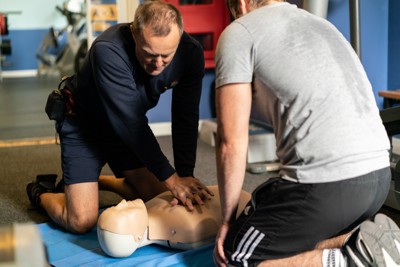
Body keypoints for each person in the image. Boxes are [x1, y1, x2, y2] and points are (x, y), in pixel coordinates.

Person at [213, 0, 400, 267]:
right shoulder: (322, 24)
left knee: (235, 255)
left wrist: (227, 220)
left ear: (241, 4)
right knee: (267, 204)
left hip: (329, 186)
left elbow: (230, 142)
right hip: (379, 177)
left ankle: (348, 260)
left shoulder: (239, 31)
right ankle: (361, 241)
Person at [26, 0, 213, 234]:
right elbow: (131, 122)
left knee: (161, 199)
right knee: (81, 221)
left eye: (166, 56)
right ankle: (42, 192)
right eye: (149, 54)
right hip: (85, 128)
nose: (157, 64)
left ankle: (101, 182)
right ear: (134, 32)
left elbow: (186, 115)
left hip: (124, 133)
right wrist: (172, 179)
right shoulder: (108, 49)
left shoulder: (190, 53)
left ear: (180, 37)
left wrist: (184, 174)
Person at [97, 185, 251, 258]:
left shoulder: (147, 207)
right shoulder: (184, 231)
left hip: (233, 193)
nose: (122, 202)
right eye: (123, 211)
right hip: (241, 201)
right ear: (137, 237)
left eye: (115, 207)